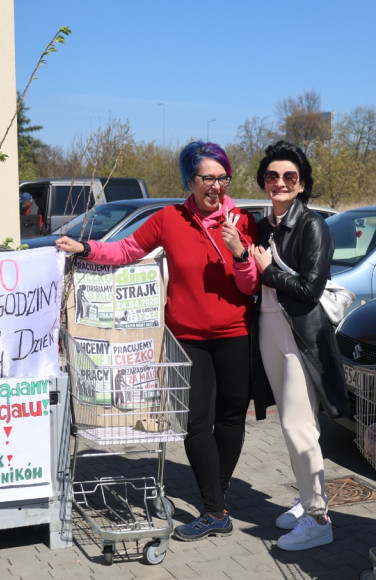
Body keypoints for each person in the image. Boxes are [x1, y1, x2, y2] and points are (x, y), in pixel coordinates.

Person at [56, 141, 259, 541]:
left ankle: (217, 497)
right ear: (189, 180)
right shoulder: (168, 219)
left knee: (231, 419)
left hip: (236, 334)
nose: (216, 186)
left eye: (222, 178)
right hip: (189, 339)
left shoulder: (243, 221)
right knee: (196, 423)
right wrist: (86, 248)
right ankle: (214, 509)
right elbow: (127, 249)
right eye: (207, 178)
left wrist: (239, 251)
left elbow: (250, 285)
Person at [250, 140, 349, 551]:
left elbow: (310, 290)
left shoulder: (312, 226)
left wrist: (268, 271)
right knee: (290, 424)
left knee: (299, 424)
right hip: (268, 326)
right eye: (272, 176)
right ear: (263, 181)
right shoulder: (263, 226)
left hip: (299, 333)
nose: (280, 182)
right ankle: (307, 499)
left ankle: (318, 518)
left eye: (289, 176)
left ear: (302, 183)